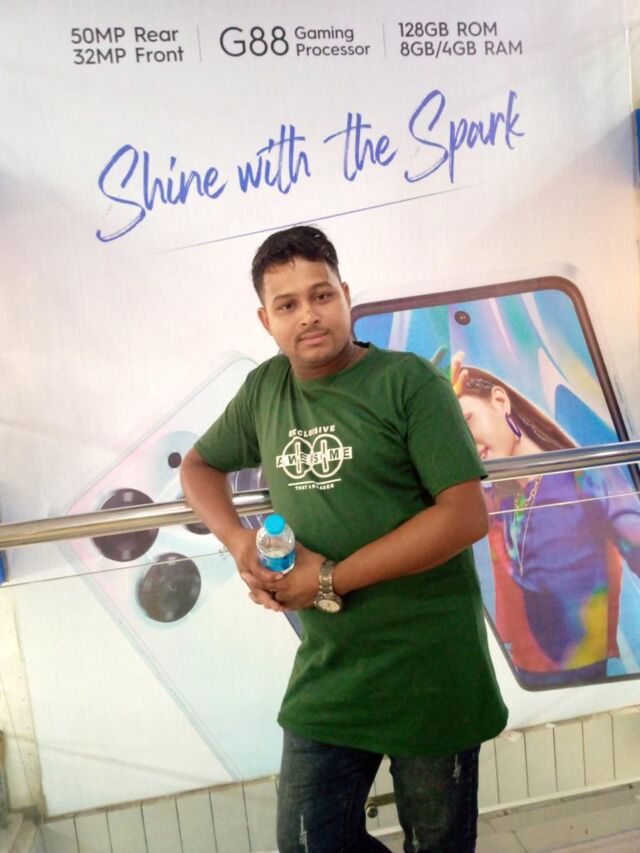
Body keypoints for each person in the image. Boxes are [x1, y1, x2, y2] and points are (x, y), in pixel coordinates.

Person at [180, 226, 508, 852]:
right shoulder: (265, 390)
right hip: (331, 668)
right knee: (307, 843)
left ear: (346, 296)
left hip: (430, 669)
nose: (308, 315)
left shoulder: (407, 382)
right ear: (266, 320)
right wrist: (239, 542)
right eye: (287, 304)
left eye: (321, 295)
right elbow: (197, 466)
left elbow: (464, 516)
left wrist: (328, 579)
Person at [453, 361, 640, 688]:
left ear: (500, 401)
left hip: (586, 679)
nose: (467, 442)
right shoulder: (501, 494)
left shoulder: (587, 476)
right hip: (524, 676)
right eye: (456, 434)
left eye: (467, 419)